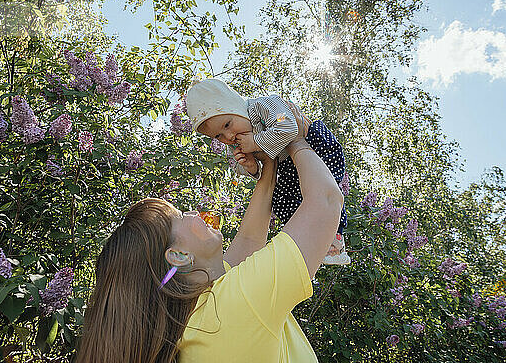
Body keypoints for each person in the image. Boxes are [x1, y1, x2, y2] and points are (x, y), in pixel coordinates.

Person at [76, 119, 345, 363]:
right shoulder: (234, 307)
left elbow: (250, 239)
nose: (194, 212)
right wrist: (295, 138)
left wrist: (269, 160)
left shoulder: (204, 313)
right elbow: (326, 201)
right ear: (177, 256)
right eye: (181, 217)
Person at [186, 78, 350, 265]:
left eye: (227, 124)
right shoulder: (237, 139)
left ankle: (335, 235)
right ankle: (313, 236)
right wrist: (250, 165)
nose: (229, 136)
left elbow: (286, 123)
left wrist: (256, 142)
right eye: (218, 136)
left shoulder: (264, 106)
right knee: (280, 201)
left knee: (324, 186)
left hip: (316, 144)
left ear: (235, 107)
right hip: (289, 163)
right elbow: (247, 167)